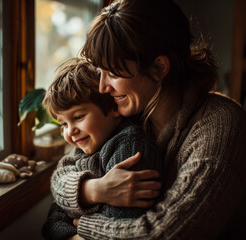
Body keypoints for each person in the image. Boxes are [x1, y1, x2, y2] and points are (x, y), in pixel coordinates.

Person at [50, 0, 246, 239]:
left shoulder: (221, 123)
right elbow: (62, 173)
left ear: (158, 68)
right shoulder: (126, 114)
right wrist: (92, 190)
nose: (102, 87)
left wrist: (84, 229)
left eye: (113, 73)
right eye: (99, 73)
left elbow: (166, 232)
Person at [41, 57, 163, 240]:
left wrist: (76, 222)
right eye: (64, 124)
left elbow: (120, 222)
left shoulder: (130, 146)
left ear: (113, 108)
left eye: (78, 116)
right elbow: (53, 221)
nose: (71, 131)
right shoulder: (83, 149)